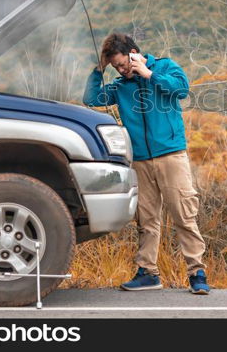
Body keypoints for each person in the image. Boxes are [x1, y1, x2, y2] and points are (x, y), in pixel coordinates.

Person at [82, 33, 210, 295]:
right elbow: (91, 98)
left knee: (184, 215)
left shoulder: (164, 67)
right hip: (139, 160)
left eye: (122, 64)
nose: (120, 70)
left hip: (171, 155)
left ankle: (197, 272)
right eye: (115, 67)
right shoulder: (120, 86)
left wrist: (148, 74)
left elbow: (181, 89)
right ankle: (148, 273)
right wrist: (98, 69)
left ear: (133, 53)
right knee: (146, 221)